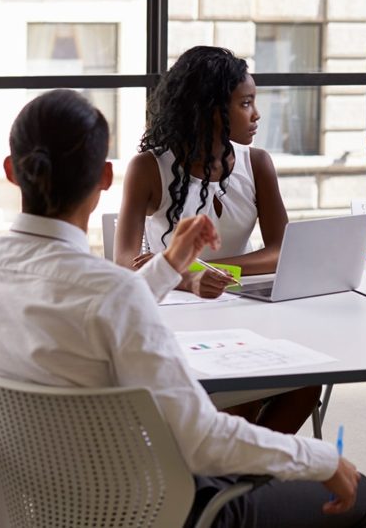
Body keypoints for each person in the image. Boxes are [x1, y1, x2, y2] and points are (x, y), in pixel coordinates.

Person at [0, 89, 366, 528]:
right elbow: (202, 441)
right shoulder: (110, 293)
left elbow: (98, 301)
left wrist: (168, 266)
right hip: (153, 508)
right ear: (104, 178)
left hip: (44, 505)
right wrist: (322, 459)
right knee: (365, 500)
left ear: (11, 171)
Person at [116, 45, 319, 435]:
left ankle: (245, 479)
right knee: (243, 394)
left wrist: (211, 270)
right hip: (175, 315)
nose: (257, 114)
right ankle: (237, 482)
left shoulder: (256, 163)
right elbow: (124, 264)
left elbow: (282, 251)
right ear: (210, 109)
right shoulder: (147, 168)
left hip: (242, 311)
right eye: (245, 103)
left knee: (308, 383)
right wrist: (187, 278)